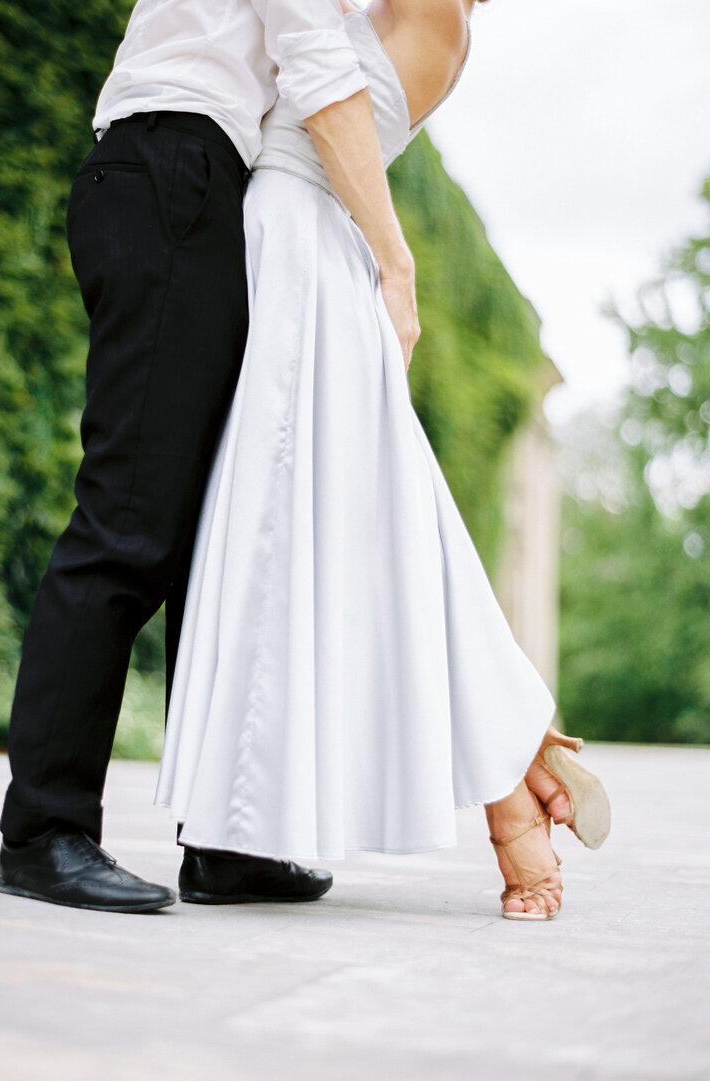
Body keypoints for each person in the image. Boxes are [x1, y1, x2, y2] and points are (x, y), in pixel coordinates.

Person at [155, 0, 612, 921]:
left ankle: (501, 784)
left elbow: (325, 100)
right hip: (302, 246)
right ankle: (516, 771)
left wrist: (394, 266)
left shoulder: (437, 17)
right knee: (385, 528)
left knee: (300, 528)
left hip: (304, 243)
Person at [0, 0, 422, 913]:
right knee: (128, 519)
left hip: (190, 175)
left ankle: (227, 843)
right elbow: (312, 58)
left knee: (209, 532)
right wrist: (395, 261)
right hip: (171, 164)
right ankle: (40, 831)